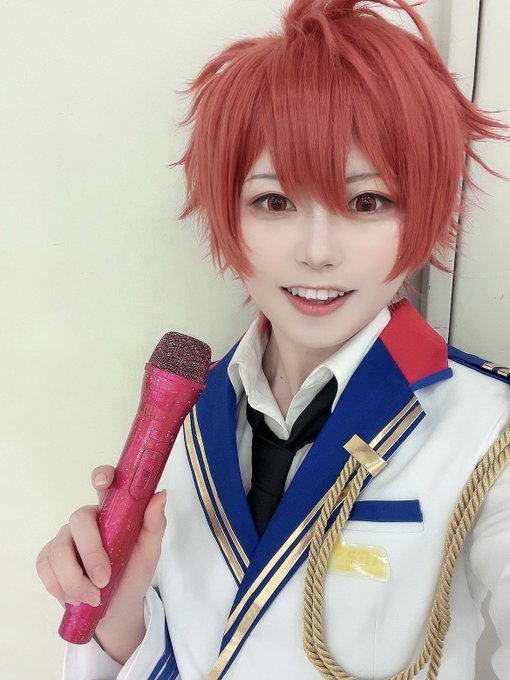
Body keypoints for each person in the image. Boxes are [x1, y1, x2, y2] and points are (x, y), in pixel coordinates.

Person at [36, 0, 510, 678]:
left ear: (423, 214)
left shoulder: (489, 429)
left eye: (367, 202)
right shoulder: (182, 418)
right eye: (274, 202)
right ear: (229, 214)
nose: (317, 252)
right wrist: (119, 613)